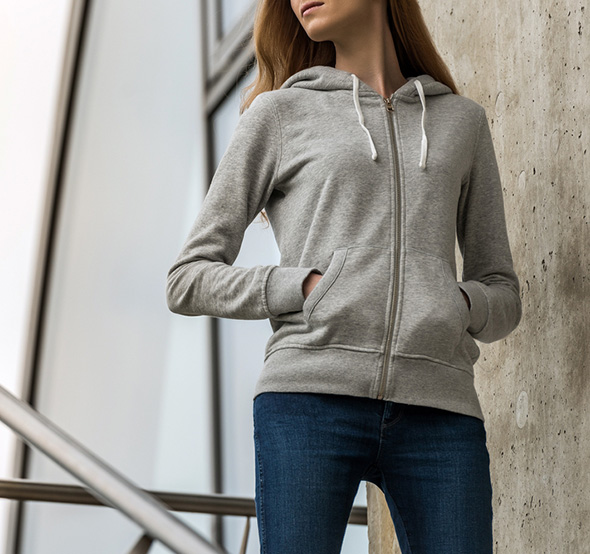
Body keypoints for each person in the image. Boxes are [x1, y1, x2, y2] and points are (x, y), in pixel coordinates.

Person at [165, 0, 522, 552]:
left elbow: (501, 287)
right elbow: (187, 278)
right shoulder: (279, 114)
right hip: (309, 400)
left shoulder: (460, 122)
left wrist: (456, 306)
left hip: (440, 411)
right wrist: (301, 288)